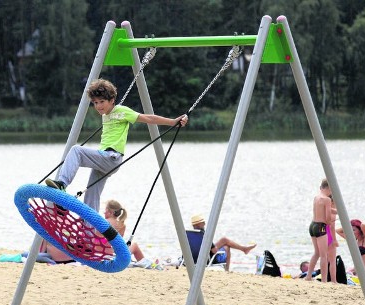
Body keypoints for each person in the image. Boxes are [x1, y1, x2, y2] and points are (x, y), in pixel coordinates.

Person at [44, 79, 188, 211]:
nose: (98, 106)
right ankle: (89, 232)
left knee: (76, 151)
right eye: (95, 103)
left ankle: (62, 183)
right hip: (104, 160)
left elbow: (148, 118)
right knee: (91, 196)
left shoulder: (122, 111)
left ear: (112, 100)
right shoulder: (105, 115)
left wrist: (172, 122)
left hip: (111, 157)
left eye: (101, 102)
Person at [190, 214, 256, 272]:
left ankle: (244, 249)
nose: (204, 223)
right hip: (205, 259)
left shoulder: (189, 234)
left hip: (193, 259)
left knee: (225, 243)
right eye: (203, 222)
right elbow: (214, 251)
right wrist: (216, 247)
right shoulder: (203, 235)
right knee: (226, 245)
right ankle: (227, 269)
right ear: (201, 224)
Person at [103, 199, 151, 268]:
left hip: (103, 254)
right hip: (115, 255)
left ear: (109, 212)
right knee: (134, 246)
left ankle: (142, 263)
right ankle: (143, 262)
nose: (104, 213)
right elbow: (118, 242)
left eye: (105, 210)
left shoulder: (103, 222)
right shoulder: (121, 225)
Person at [305, 178, 334, 283]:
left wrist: (336, 212)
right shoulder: (327, 199)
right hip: (321, 226)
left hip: (312, 225)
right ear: (329, 188)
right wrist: (330, 222)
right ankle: (324, 280)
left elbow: (322, 210)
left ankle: (308, 276)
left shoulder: (316, 197)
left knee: (316, 253)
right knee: (323, 255)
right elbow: (327, 218)